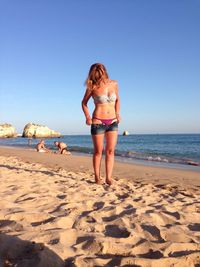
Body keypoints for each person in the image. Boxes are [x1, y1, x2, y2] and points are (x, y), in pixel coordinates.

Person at [81, 63, 120, 185]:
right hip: (98, 121)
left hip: (113, 121)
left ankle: (108, 178)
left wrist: (118, 113)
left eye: (100, 70)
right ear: (93, 73)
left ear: (104, 71)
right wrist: (87, 117)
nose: (99, 73)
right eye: (96, 71)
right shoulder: (92, 86)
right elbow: (84, 103)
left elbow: (118, 99)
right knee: (98, 151)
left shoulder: (114, 83)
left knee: (110, 151)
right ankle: (97, 178)